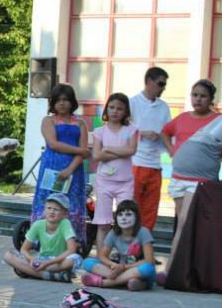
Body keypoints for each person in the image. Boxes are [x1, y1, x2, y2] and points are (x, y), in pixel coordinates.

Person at [31, 83, 89, 248]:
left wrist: (70, 169)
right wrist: (80, 150)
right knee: (49, 203)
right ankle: (43, 240)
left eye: (65, 99)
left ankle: (72, 242)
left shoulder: (80, 124)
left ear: (72, 101)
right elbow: (53, 144)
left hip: (74, 171)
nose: (61, 103)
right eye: (58, 100)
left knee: (71, 204)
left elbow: (82, 154)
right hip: (51, 168)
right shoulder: (48, 120)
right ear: (53, 103)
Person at [162, 79, 222, 223]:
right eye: (195, 95)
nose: (198, 99)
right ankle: (180, 239)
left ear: (211, 99)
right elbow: (165, 131)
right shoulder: (182, 117)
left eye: (203, 96)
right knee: (182, 220)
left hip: (202, 181)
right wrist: (171, 149)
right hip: (179, 178)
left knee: (191, 221)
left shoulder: (219, 121)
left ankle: (181, 239)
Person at [91, 93, 138, 251]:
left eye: (119, 108)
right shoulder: (99, 131)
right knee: (103, 223)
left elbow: (131, 150)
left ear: (126, 112)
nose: (115, 111)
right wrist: (120, 151)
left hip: (125, 183)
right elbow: (97, 155)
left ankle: (124, 256)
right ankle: (102, 257)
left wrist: (108, 149)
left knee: (126, 222)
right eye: (111, 107)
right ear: (106, 109)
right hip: (104, 183)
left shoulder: (131, 130)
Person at [79, 199, 157, 291]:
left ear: (136, 218)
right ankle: (125, 281)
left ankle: (105, 283)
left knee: (148, 268)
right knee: (87, 262)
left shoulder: (143, 232)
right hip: (118, 270)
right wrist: (114, 265)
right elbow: (102, 256)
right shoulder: (113, 233)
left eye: (128, 214)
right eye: (120, 215)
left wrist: (124, 267)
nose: (123, 218)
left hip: (136, 270)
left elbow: (149, 261)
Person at [2, 192, 81, 282]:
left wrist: (46, 263)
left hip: (58, 261)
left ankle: (29, 271)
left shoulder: (65, 223)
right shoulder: (38, 224)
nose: (52, 211)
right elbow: (24, 249)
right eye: (49, 208)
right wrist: (31, 260)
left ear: (65, 214)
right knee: (8, 256)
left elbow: (71, 250)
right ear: (44, 210)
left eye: (56, 209)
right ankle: (49, 275)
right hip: (42, 259)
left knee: (75, 259)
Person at [130, 67, 171, 232]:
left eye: (164, 85)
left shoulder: (164, 107)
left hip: (155, 164)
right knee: (131, 208)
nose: (163, 88)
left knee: (150, 210)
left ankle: (145, 243)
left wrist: (167, 143)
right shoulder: (132, 103)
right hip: (135, 162)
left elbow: (168, 132)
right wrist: (142, 132)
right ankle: (129, 243)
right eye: (160, 84)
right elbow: (121, 130)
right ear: (149, 81)